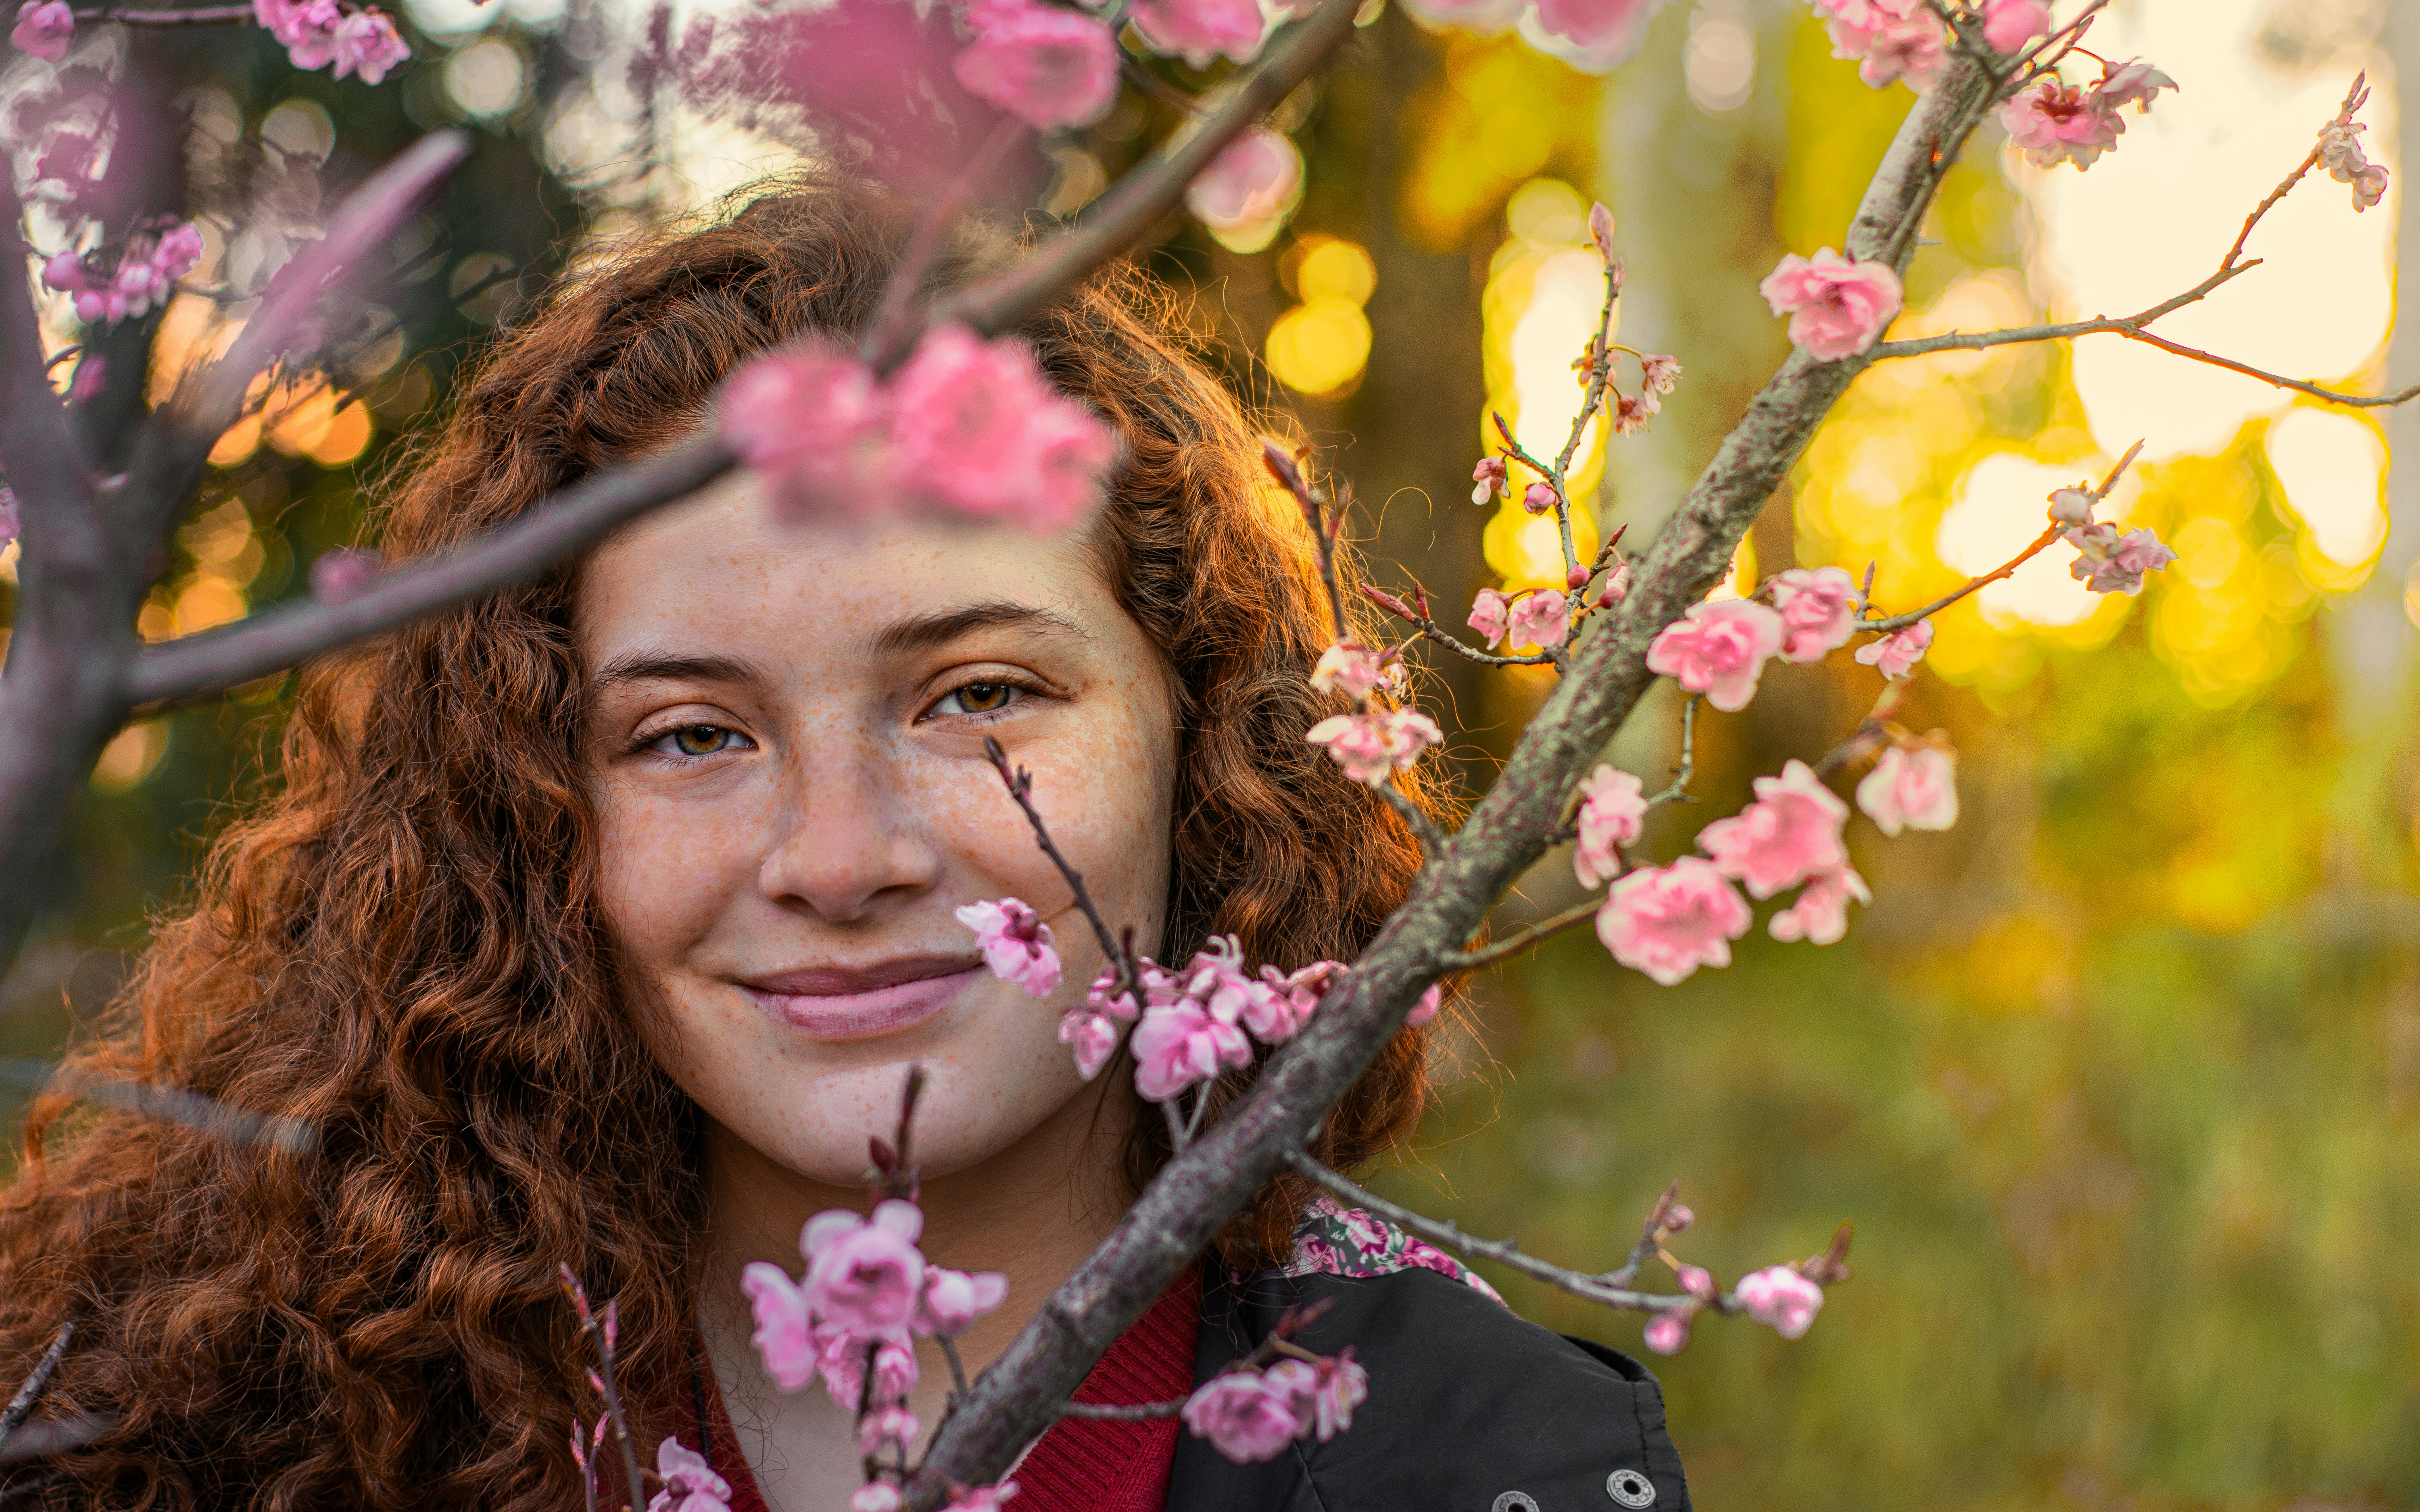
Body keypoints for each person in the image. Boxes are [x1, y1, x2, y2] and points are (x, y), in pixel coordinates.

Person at [0, 179, 1687, 1512]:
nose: (837, 856)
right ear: (524, 812)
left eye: (975, 695)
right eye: (693, 733)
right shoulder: (197, 1417)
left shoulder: (1484, 1461)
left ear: (1206, 735)